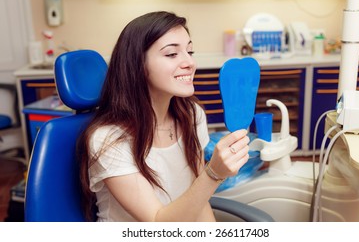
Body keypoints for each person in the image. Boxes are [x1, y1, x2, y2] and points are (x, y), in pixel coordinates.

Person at [78, 11, 250, 222]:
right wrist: (213, 174)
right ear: (138, 65)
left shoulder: (192, 115)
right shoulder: (109, 139)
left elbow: (199, 198)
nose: (190, 63)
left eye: (190, 51)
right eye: (171, 54)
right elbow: (158, 223)